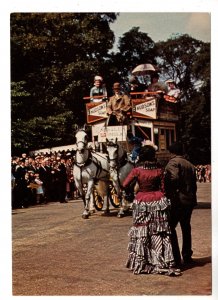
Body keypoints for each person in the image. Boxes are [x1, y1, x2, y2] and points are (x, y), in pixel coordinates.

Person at [122, 144, 181, 276]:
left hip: (142, 201)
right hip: (158, 201)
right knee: (159, 232)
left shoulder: (137, 170)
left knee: (142, 232)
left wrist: (132, 192)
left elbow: (125, 184)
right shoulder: (159, 170)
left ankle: (143, 261)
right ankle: (160, 261)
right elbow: (163, 188)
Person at [164, 142, 197, 266]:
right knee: (186, 227)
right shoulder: (190, 164)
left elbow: (174, 178)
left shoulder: (173, 163)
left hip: (178, 200)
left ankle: (176, 257)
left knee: (171, 227)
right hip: (189, 200)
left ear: (171, 152)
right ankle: (187, 255)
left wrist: (168, 188)